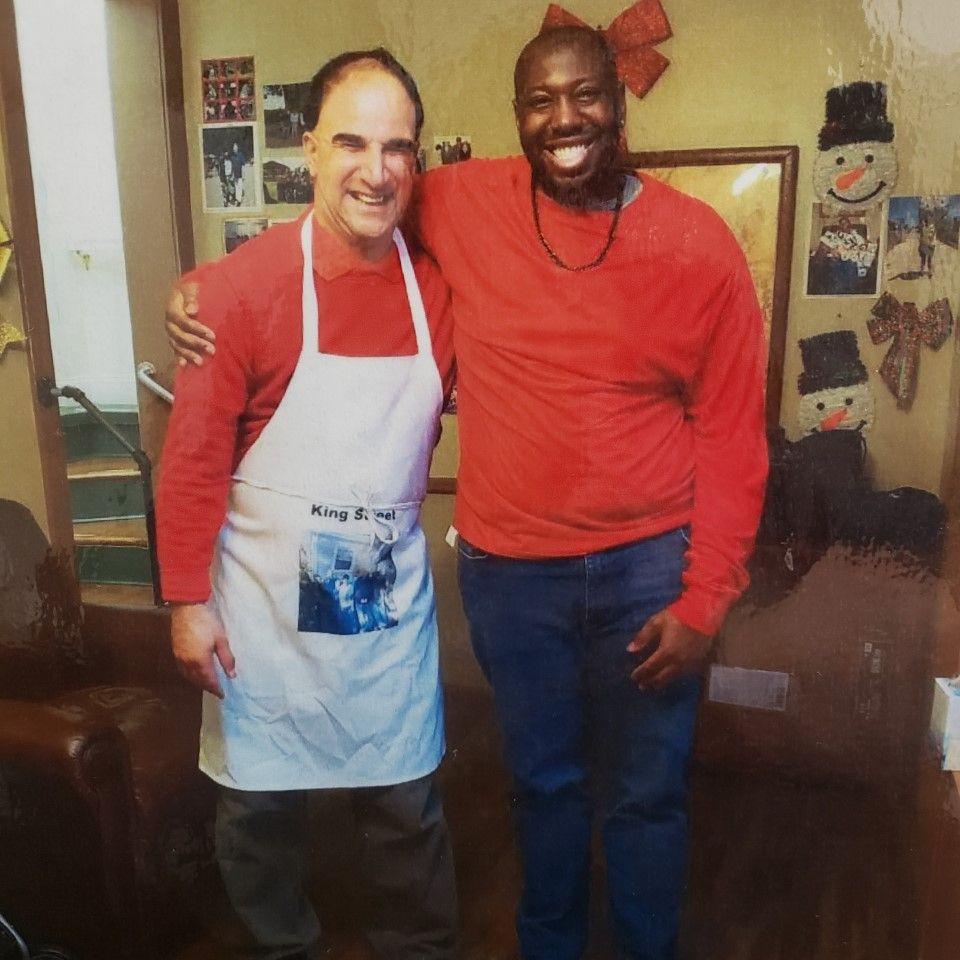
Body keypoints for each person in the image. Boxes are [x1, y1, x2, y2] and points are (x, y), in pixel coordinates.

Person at [166, 25, 767, 960]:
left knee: (611, 794)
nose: (565, 119)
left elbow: (732, 432)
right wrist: (203, 288)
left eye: (586, 95)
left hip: (617, 569)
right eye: (540, 100)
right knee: (519, 787)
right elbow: (206, 434)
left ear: (621, 97)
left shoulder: (686, 244)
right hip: (468, 577)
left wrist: (708, 594)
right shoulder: (446, 209)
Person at [157, 49, 458, 960]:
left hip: (376, 576)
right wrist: (185, 603)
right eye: (353, 143)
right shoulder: (237, 290)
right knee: (259, 807)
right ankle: (282, 945)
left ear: (418, 159)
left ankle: (417, 947)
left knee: (405, 799)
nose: (377, 170)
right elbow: (194, 461)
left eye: (398, 147)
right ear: (310, 147)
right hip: (257, 591)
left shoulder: (440, 291)